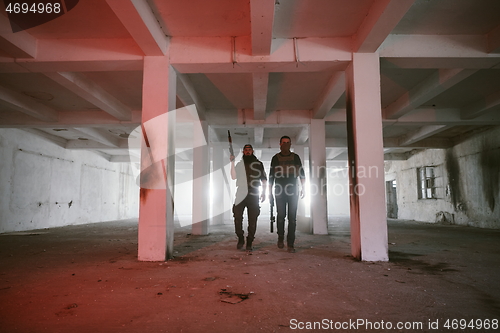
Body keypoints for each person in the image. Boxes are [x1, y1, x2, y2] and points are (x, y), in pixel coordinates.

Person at [268, 136, 305, 253]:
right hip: (279, 190)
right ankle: (280, 238)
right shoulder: (275, 158)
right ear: (280, 144)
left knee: (292, 218)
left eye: (288, 143)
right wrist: (269, 192)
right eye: (284, 143)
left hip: (293, 190)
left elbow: (301, 173)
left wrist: (304, 187)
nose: (286, 145)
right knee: (280, 216)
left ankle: (290, 243)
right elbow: (271, 176)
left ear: (291, 144)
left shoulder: (295, 157)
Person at [230, 144, 267, 251]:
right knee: (237, 216)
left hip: (254, 192)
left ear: (253, 151)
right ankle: (240, 238)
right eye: (245, 150)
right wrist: (232, 162)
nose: (247, 151)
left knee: (253, 218)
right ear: (243, 152)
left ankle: (250, 241)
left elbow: (264, 180)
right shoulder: (239, 165)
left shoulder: (258, 164)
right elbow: (233, 177)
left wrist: (264, 192)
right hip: (241, 192)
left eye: (249, 150)